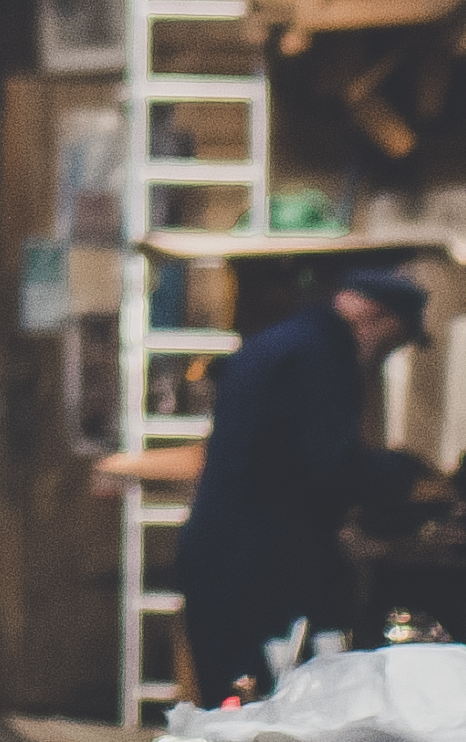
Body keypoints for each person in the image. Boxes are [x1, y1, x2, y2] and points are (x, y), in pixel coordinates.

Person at [173, 255, 434, 705]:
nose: (384, 356)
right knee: (265, 709)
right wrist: (410, 480)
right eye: (395, 342)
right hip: (256, 562)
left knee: (234, 708)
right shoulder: (322, 354)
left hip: (231, 553)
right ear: (376, 317)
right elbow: (331, 463)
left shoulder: (286, 341)